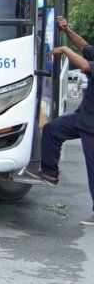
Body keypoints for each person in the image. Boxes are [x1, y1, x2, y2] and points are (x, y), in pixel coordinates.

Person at [28, 16, 94, 221]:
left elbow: (85, 66)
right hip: (83, 117)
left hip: (92, 124)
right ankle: (50, 173)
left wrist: (64, 50)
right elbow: (84, 46)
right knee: (53, 129)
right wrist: (66, 30)